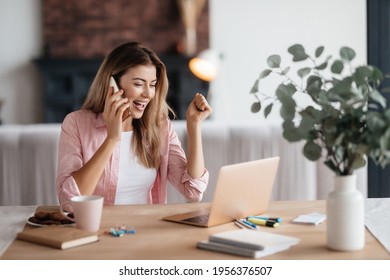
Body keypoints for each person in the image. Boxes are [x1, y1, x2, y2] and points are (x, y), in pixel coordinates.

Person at [56, 42, 212, 207]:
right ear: (112, 85)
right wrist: (112, 139)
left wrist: (194, 126)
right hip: (99, 229)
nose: (148, 94)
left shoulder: (160, 127)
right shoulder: (76, 124)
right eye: (138, 84)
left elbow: (193, 191)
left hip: (145, 229)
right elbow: (69, 201)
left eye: (152, 85)